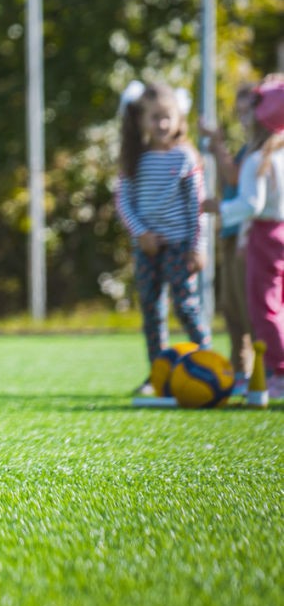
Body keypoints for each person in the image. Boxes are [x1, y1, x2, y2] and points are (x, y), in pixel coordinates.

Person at [116, 80, 209, 387]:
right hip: (147, 249)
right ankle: (158, 373)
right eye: (155, 117)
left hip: (180, 247)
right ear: (141, 119)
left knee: (186, 307)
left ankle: (208, 363)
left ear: (179, 117)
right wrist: (141, 234)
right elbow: (124, 201)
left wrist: (197, 247)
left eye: (168, 117)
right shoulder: (134, 158)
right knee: (151, 310)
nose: (162, 124)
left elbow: (197, 206)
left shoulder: (185, 157)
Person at [208, 78, 284, 398]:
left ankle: (278, 372)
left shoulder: (258, 159)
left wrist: (220, 208)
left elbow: (251, 204)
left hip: (265, 235)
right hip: (275, 232)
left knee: (262, 308)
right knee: (275, 306)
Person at [204, 82, 257, 380]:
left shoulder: (264, 148)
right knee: (231, 306)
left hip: (248, 237)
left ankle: (267, 371)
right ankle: (240, 370)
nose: (244, 119)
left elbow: (234, 177)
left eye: (249, 111)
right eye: (240, 112)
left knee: (249, 308)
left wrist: (217, 144)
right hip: (231, 233)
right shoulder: (247, 148)